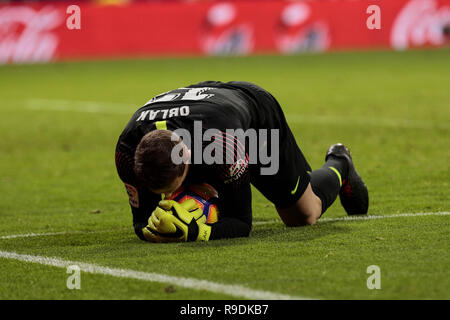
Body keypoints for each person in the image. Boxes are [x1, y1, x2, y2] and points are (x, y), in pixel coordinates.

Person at [115, 81, 368, 242]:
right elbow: (141, 221)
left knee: (303, 215)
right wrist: (152, 231)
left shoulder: (224, 146)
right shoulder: (126, 151)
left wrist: (197, 232)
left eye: (174, 187)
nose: (171, 195)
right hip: (206, 110)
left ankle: (340, 161)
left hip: (255, 120)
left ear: (188, 157)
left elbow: (241, 222)